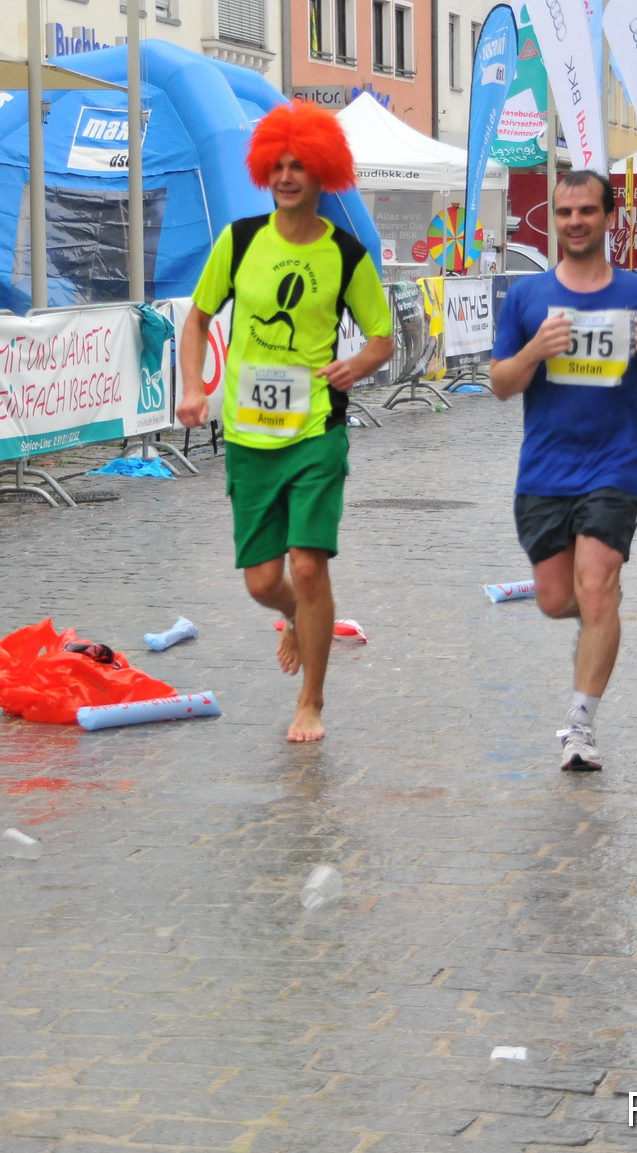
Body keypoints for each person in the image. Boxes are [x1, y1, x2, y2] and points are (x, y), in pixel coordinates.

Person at [176, 102, 393, 742]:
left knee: (307, 566)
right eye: (279, 164)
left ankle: (312, 701)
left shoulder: (347, 255)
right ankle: (299, 620)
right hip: (248, 434)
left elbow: (382, 336)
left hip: (316, 430)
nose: (288, 175)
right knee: (264, 582)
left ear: (324, 173)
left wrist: (355, 364)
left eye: (300, 165)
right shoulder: (240, 241)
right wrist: (193, 386)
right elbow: (195, 320)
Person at [487, 169, 637, 771]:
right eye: (565, 212)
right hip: (545, 468)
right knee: (554, 599)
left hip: (616, 462)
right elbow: (499, 386)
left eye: (587, 211)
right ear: (554, 217)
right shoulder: (527, 298)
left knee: (596, 589)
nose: (575, 222)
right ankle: (600, 621)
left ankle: (580, 728)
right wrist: (534, 351)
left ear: (608, 218)